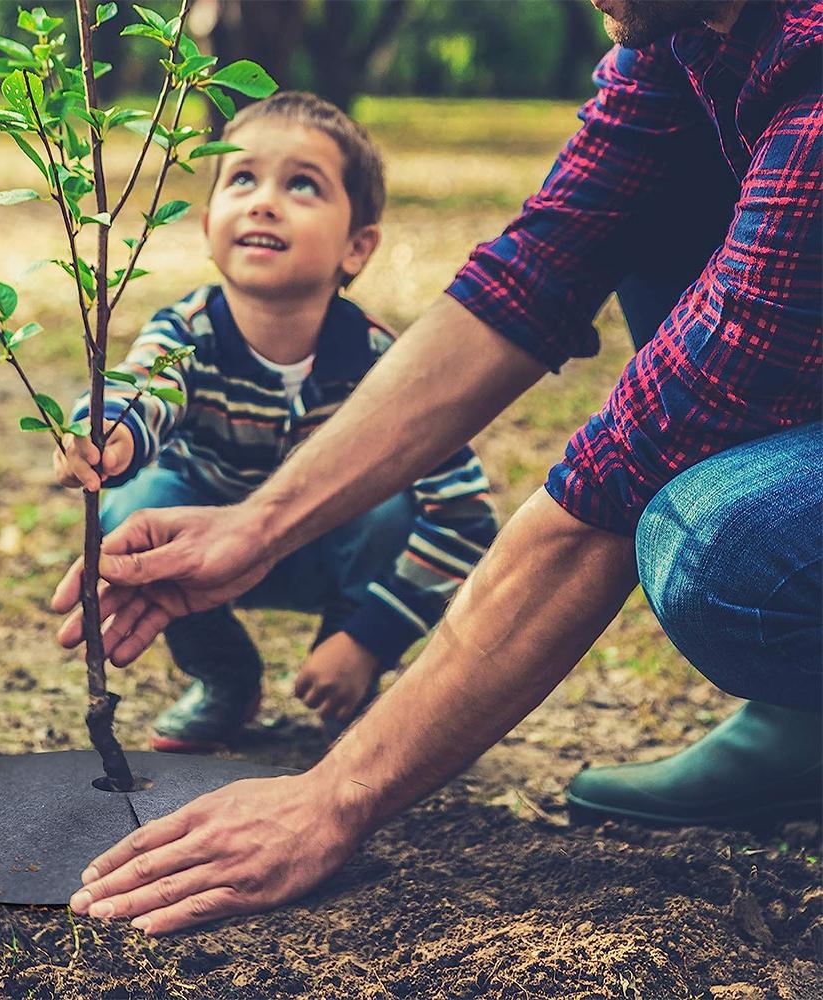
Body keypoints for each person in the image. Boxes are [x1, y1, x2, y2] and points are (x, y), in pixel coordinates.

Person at [56, 0, 821, 935]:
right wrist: (257, 526)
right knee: (657, 199)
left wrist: (336, 793)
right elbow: (540, 269)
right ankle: (803, 725)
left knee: (720, 548)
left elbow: (632, 467)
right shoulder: (681, 32)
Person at [52, 91, 498, 751]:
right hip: (195, 552)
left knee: (393, 508)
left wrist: (368, 640)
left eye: (301, 185)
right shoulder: (188, 331)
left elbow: (466, 517)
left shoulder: (383, 364)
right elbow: (148, 385)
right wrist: (107, 430)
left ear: (357, 246)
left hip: (330, 553)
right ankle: (226, 677)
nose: (264, 200)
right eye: (242, 179)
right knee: (133, 507)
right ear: (207, 227)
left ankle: (344, 672)